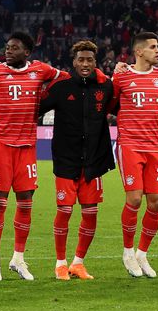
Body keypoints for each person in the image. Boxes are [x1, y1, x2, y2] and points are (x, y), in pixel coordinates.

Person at [0, 31, 61, 282]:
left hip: (27, 146)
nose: (8, 51)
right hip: (2, 144)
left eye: (15, 48)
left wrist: (45, 100)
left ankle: (18, 258)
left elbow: (65, 79)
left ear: (27, 52)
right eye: (7, 46)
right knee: (0, 202)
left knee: (26, 202)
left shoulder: (40, 70)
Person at [38, 40, 116, 280]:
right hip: (66, 160)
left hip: (94, 161)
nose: (85, 64)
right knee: (64, 211)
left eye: (89, 60)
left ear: (96, 62)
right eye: (81, 60)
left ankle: (78, 263)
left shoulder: (106, 87)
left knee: (90, 212)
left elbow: (120, 106)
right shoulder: (61, 87)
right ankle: (60, 263)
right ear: (73, 61)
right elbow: (36, 107)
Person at [112, 32, 158, 279]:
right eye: (152, 47)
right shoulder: (122, 76)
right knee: (135, 199)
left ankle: (142, 253)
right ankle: (128, 252)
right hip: (129, 144)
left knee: (157, 202)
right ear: (139, 51)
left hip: (154, 147)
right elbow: (109, 104)